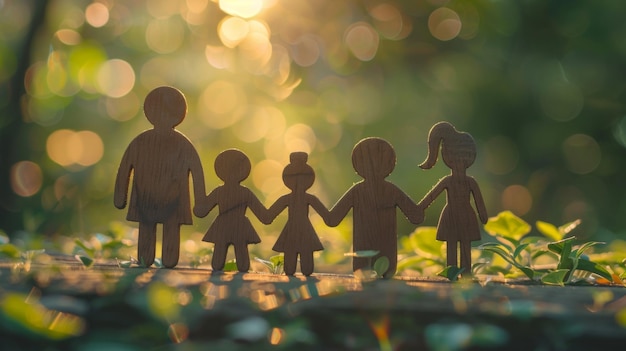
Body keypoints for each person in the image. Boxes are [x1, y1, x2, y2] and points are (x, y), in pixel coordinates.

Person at [114, 86, 206, 268]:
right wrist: (200, 201)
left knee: (159, 229)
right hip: (157, 200)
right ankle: (151, 259)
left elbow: (196, 170)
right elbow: (125, 168)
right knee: (152, 228)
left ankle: (155, 259)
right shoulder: (146, 142)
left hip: (160, 200)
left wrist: (119, 196)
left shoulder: (143, 141)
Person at [327, 137, 423, 278]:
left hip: (367, 261)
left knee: (367, 276)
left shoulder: (359, 191)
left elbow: (333, 219)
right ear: (391, 163)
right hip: (386, 262)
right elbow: (416, 215)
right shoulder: (390, 190)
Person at [418, 122, 488, 274]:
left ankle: (465, 272)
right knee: (453, 245)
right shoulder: (452, 181)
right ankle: (452, 273)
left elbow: (478, 201)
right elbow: (432, 196)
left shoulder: (468, 182)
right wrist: (420, 207)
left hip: (462, 215)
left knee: (464, 245)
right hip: (455, 215)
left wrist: (483, 214)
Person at [196, 149, 268, 272]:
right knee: (238, 255)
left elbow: (201, 210)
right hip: (239, 226)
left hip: (223, 225)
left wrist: (198, 189)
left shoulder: (220, 192)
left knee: (221, 257)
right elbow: (264, 215)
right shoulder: (245, 192)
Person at [266, 152, 331, 276]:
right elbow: (269, 215)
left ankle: (298, 270)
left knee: (302, 256)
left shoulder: (300, 198)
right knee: (292, 259)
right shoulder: (300, 198)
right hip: (299, 230)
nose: (298, 181)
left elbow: (268, 215)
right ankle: (294, 270)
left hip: (298, 230)